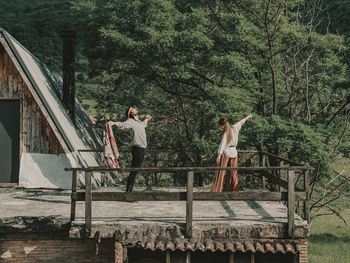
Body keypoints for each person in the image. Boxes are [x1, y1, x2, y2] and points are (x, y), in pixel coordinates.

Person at [109, 107, 152, 192]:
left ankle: (129, 191)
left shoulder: (138, 122)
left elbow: (143, 125)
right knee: (134, 170)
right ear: (131, 113)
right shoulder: (130, 122)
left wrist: (147, 119)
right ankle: (128, 191)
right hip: (138, 149)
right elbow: (123, 125)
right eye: (133, 109)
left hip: (142, 148)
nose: (135, 108)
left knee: (135, 170)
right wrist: (114, 123)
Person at [211, 114, 253, 192]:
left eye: (220, 126)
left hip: (226, 152)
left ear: (222, 125)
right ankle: (233, 190)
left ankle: (216, 191)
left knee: (220, 171)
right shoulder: (235, 127)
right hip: (234, 152)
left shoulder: (225, 133)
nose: (220, 128)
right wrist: (248, 116)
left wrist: (218, 156)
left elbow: (222, 145)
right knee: (233, 172)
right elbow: (242, 122)